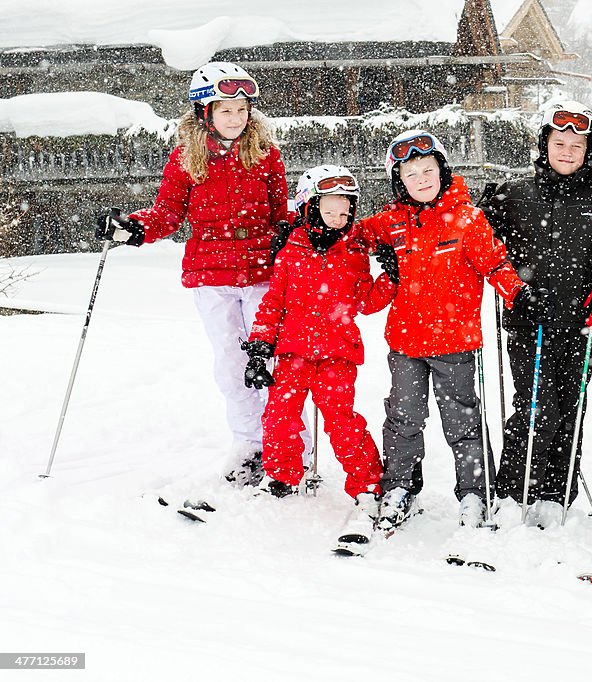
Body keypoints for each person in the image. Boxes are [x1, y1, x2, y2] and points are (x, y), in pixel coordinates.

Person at [94, 61, 310, 485]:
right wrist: (136, 228)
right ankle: (249, 443)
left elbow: (279, 210)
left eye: (242, 108)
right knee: (232, 363)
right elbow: (168, 213)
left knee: (276, 361)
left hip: (263, 271)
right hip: (211, 274)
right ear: (204, 113)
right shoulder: (185, 159)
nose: (236, 117)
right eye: (226, 109)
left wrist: (298, 231)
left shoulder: (267, 156)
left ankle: (290, 442)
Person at [357, 129, 532, 531]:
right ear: (399, 182)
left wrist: (517, 293)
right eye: (411, 174)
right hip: (405, 343)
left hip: (455, 342)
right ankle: (400, 487)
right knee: (403, 417)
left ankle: (474, 492)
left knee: (462, 421)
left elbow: (495, 264)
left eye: (428, 169)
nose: (421, 179)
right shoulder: (392, 221)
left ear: (442, 170)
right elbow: (352, 235)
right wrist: (314, 226)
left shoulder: (467, 218)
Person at [241, 164, 394, 550]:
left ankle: (367, 485)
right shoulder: (290, 252)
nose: (340, 218)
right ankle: (282, 475)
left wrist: (390, 277)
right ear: (309, 207)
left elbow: (366, 301)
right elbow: (273, 303)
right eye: (331, 209)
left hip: (336, 355)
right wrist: (261, 347)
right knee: (278, 415)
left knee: (341, 422)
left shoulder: (354, 252)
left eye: (347, 211)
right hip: (292, 352)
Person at [480, 101, 592, 529]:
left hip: (579, 321)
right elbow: (479, 242)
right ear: (545, 144)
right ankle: (514, 488)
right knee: (538, 405)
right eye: (560, 142)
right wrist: (512, 289)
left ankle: (557, 491)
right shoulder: (515, 194)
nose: (568, 150)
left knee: (571, 405)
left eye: (577, 144)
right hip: (528, 319)